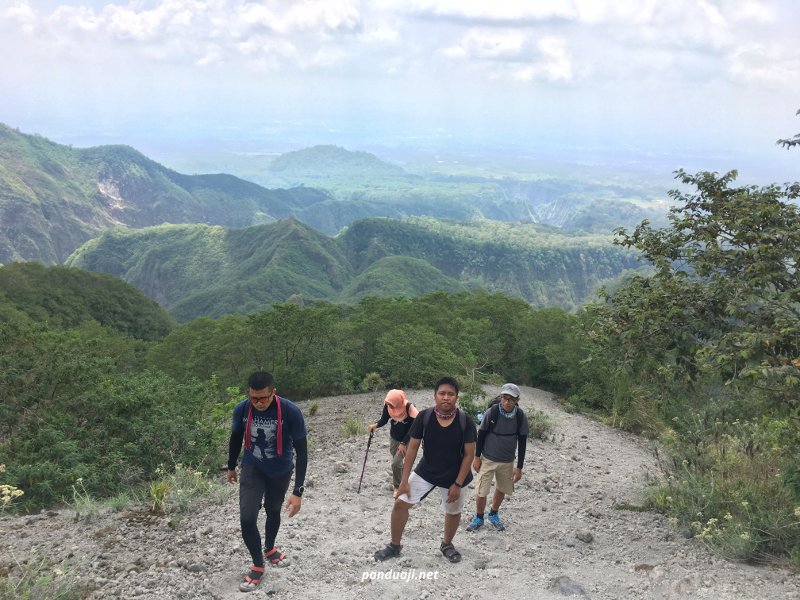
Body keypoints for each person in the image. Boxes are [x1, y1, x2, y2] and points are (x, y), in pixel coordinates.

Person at [374, 376, 476, 564]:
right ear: (435, 395)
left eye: (451, 394)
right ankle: (394, 546)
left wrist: (457, 484)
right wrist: (404, 481)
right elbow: (412, 448)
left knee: (453, 511)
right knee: (400, 503)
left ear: (457, 397)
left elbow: (469, 454)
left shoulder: (465, 421)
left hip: (456, 475)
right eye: (442, 393)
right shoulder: (425, 416)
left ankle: (447, 544)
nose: (446, 398)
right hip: (427, 470)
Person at [227, 371, 308, 593]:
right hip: (253, 467)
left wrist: (298, 491)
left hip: (280, 470)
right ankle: (257, 564)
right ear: (249, 394)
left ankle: (270, 549)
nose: (259, 403)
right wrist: (231, 466)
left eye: (263, 398)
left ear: (273, 392)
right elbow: (235, 437)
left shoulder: (290, 412)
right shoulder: (243, 409)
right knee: (247, 517)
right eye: (254, 398)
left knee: (273, 510)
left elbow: (302, 452)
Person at [466, 383, 528, 532]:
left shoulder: (520, 417)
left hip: (507, 460)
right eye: (504, 398)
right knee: (481, 490)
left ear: (517, 399)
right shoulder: (492, 412)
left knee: (502, 488)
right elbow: (481, 435)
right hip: (488, 458)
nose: (507, 402)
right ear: (500, 397)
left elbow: (523, 441)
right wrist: (477, 457)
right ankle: (479, 517)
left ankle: (493, 514)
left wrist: (519, 467)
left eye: (511, 399)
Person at [368, 389, 418, 491]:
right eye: (388, 404)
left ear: (398, 401)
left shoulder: (409, 408)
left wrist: (403, 443)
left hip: (407, 439)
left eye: (391, 404)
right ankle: (404, 479)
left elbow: (413, 428)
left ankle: (398, 487)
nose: (389, 406)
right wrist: (376, 425)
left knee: (395, 463)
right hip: (394, 437)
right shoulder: (388, 404)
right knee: (397, 460)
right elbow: (384, 419)